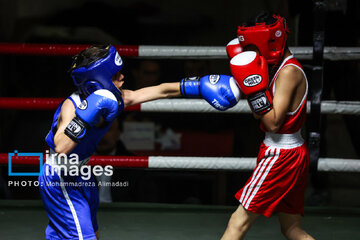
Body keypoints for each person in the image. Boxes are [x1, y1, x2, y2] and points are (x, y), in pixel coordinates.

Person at [38, 44, 240, 240]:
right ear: (96, 83)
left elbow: (161, 91)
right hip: (60, 176)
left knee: (86, 232)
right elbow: (61, 146)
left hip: (82, 173)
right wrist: (86, 114)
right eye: (115, 75)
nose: (123, 77)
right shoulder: (71, 106)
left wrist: (197, 86)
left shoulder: (118, 99)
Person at [221, 12, 315, 239]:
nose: (250, 53)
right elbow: (259, 115)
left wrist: (252, 89)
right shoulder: (276, 69)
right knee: (292, 229)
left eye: (253, 47)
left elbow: (272, 123)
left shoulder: (288, 72)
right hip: (291, 153)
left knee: (238, 222)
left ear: (269, 42)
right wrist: (252, 83)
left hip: (281, 154)